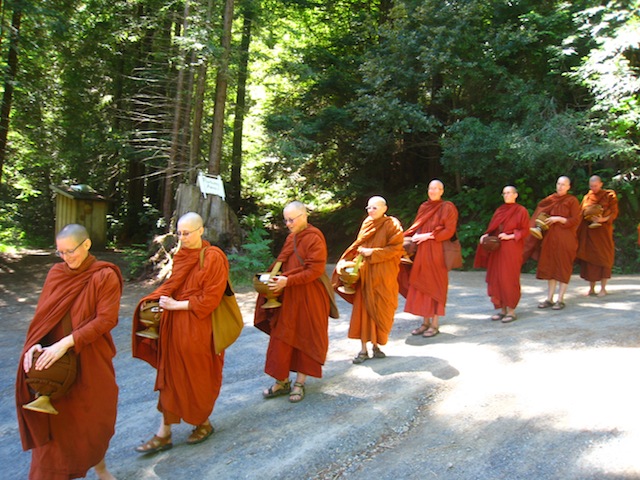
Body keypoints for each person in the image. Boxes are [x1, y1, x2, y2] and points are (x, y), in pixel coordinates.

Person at [16, 224, 123, 480]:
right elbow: (44, 316)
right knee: (57, 427)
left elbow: (106, 320)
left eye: (70, 251)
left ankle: (100, 468)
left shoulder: (103, 275)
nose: (66, 258)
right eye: (60, 252)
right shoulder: (56, 273)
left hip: (90, 357)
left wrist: (66, 343)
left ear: (86, 245)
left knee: (94, 419)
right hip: (56, 365)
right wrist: (36, 345)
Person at [132, 212, 228, 453]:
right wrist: (153, 301)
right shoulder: (182, 255)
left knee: (197, 377)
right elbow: (172, 285)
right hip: (174, 326)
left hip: (199, 327)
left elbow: (211, 299)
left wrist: (178, 305)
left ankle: (202, 422)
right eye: (180, 234)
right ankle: (163, 434)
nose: (183, 238)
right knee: (171, 378)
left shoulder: (214, 258)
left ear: (201, 231)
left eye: (187, 233)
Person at [254, 201, 333, 403]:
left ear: (304, 216)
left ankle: (299, 382)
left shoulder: (315, 237)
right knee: (281, 337)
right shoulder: (292, 237)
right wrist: (271, 278)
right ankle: (282, 381)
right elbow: (282, 262)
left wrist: (288, 280)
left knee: (305, 337)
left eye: (291, 219)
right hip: (289, 295)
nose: (288, 224)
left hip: (309, 296)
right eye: (286, 220)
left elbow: (315, 270)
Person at [332, 196, 404, 363]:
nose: (371, 211)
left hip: (383, 275)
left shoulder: (392, 225)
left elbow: (396, 249)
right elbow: (358, 245)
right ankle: (363, 349)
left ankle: (376, 346)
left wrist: (374, 253)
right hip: (365, 274)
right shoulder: (367, 223)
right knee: (363, 312)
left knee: (381, 309)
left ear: (384, 209)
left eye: (375, 208)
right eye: (369, 208)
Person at [401, 179, 459, 338]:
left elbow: (449, 230)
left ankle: (434, 324)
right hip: (421, 253)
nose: (433, 191)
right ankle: (424, 323)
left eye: (436, 188)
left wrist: (429, 235)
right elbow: (416, 228)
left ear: (442, 191)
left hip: (437, 252)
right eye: (430, 188)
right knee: (421, 286)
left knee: (435, 287)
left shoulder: (447, 207)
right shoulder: (424, 207)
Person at [473, 186, 530, 323]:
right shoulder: (500, 210)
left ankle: (511, 311)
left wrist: (510, 236)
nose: (506, 195)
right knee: (497, 278)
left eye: (509, 193)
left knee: (509, 278)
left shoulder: (521, 210)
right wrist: (486, 236)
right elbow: (493, 228)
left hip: (511, 249)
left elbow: (525, 231)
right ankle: (502, 310)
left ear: (516, 195)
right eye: (504, 193)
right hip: (498, 249)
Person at [525, 176, 581, 310]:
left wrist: (560, 219)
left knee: (563, 267)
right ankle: (549, 298)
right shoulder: (551, 199)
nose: (560, 187)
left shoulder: (572, 201)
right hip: (550, 239)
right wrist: (541, 221)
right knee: (551, 267)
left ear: (569, 187)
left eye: (563, 185)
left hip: (566, 239)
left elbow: (576, 220)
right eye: (559, 184)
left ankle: (560, 299)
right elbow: (541, 213)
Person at [576, 175, 618, 296]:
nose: (593, 188)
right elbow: (580, 213)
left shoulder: (609, 195)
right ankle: (592, 288)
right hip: (590, 232)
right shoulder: (587, 197)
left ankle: (603, 288)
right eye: (591, 186)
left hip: (603, 232)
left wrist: (603, 219)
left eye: (595, 186)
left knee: (604, 258)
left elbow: (614, 212)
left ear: (601, 184)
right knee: (590, 261)